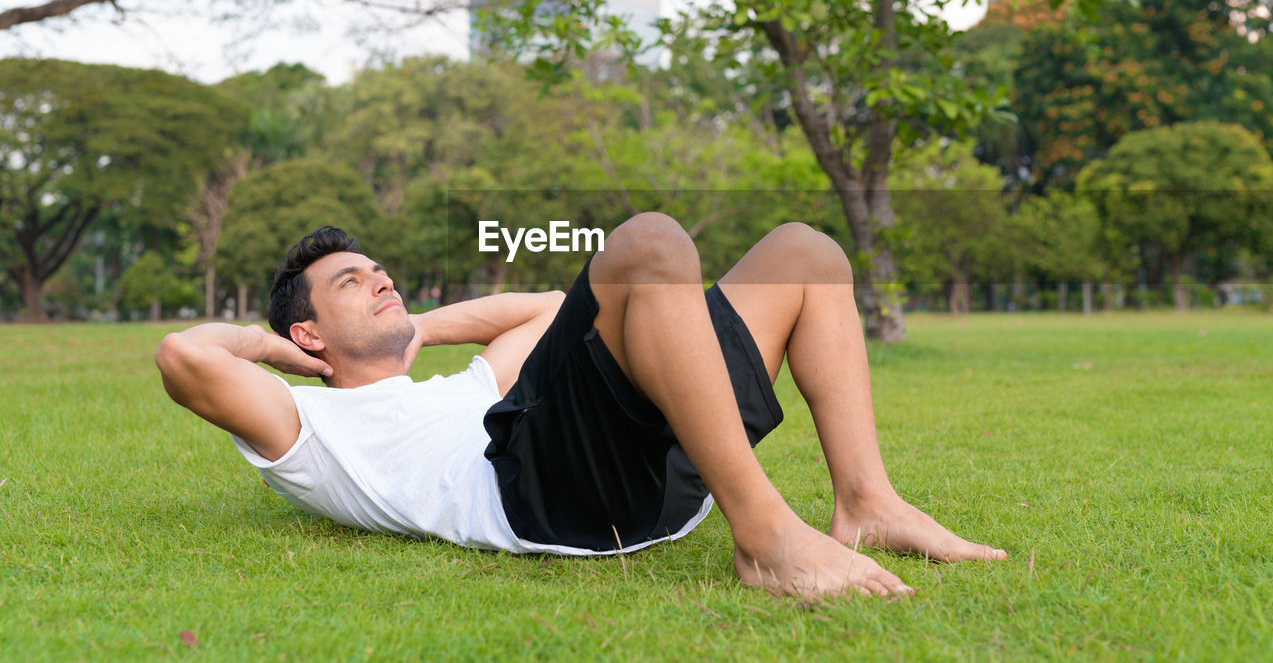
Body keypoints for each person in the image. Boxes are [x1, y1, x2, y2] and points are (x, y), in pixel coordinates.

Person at [156, 214, 1005, 600]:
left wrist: (418, 333)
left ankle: (866, 502)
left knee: (805, 253)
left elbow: (536, 312)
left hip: (657, 477)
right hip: (536, 490)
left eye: (379, 271)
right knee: (648, 244)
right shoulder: (310, 427)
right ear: (308, 330)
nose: (379, 278)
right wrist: (283, 353)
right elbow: (183, 356)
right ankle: (768, 535)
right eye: (351, 282)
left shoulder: (467, 389)